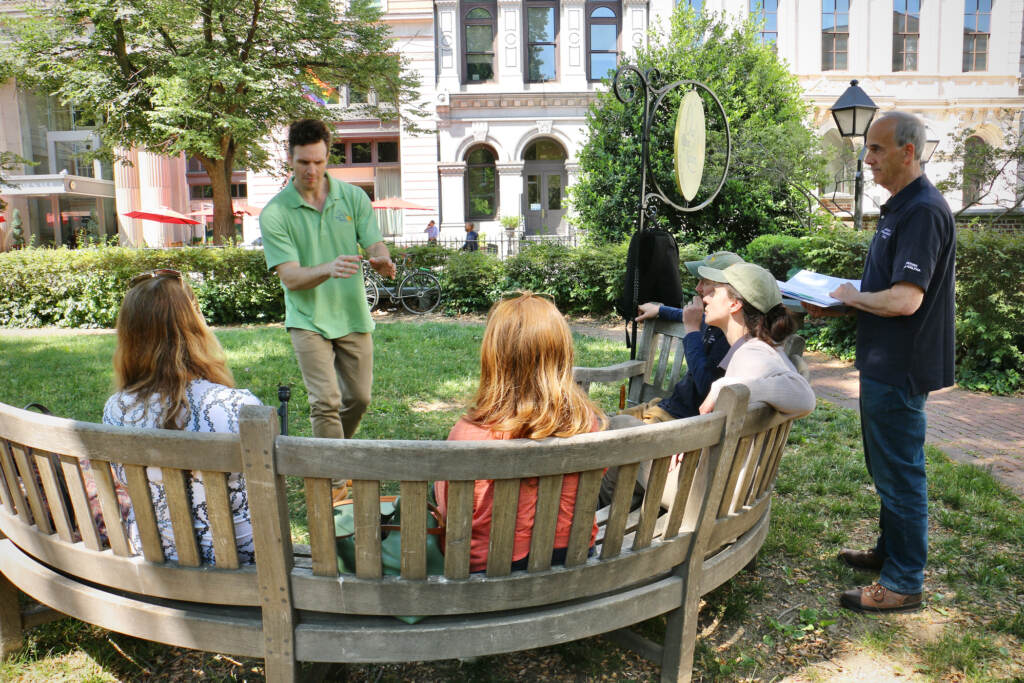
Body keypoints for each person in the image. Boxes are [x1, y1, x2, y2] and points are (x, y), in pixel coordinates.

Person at [822, 112, 956, 614]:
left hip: (901, 367)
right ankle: (889, 553)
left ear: (908, 152)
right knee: (887, 468)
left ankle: (903, 582)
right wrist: (843, 299)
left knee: (901, 474)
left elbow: (904, 301)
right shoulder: (900, 207)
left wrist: (852, 298)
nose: (867, 159)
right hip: (884, 363)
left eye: (877, 149)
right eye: (867, 149)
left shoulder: (922, 210)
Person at [433, 293, 608, 572]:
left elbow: (450, 510)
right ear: (562, 354)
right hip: (571, 560)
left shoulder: (468, 435)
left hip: (487, 570)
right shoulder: (586, 423)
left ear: (494, 358)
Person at [101, 269, 262, 564]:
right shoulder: (240, 407)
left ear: (129, 337)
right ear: (197, 328)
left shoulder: (116, 409)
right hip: (239, 565)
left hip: (156, 558)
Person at [260, 119, 395, 457]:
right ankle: (333, 482)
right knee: (325, 403)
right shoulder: (275, 213)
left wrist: (381, 258)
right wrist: (328, 268)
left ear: (327, 158)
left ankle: (334, 451)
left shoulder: (351, 198)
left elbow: (374, 243)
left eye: (319, 162)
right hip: (307, 318)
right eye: (304, 162)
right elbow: (290, 277)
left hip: (351, 313)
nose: (311, 170)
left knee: (359, 399)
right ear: (289, 158)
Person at [625, 251, 745, 423]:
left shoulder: (731, 338)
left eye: (705, 282)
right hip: (664, 406)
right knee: (601, 423)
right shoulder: (719, 322)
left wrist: (691, 330)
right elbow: (690, 315)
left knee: (601, 433)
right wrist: (660, 309)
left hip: (679, 422)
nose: (698, 288)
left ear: (732, 297)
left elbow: (707, 389)